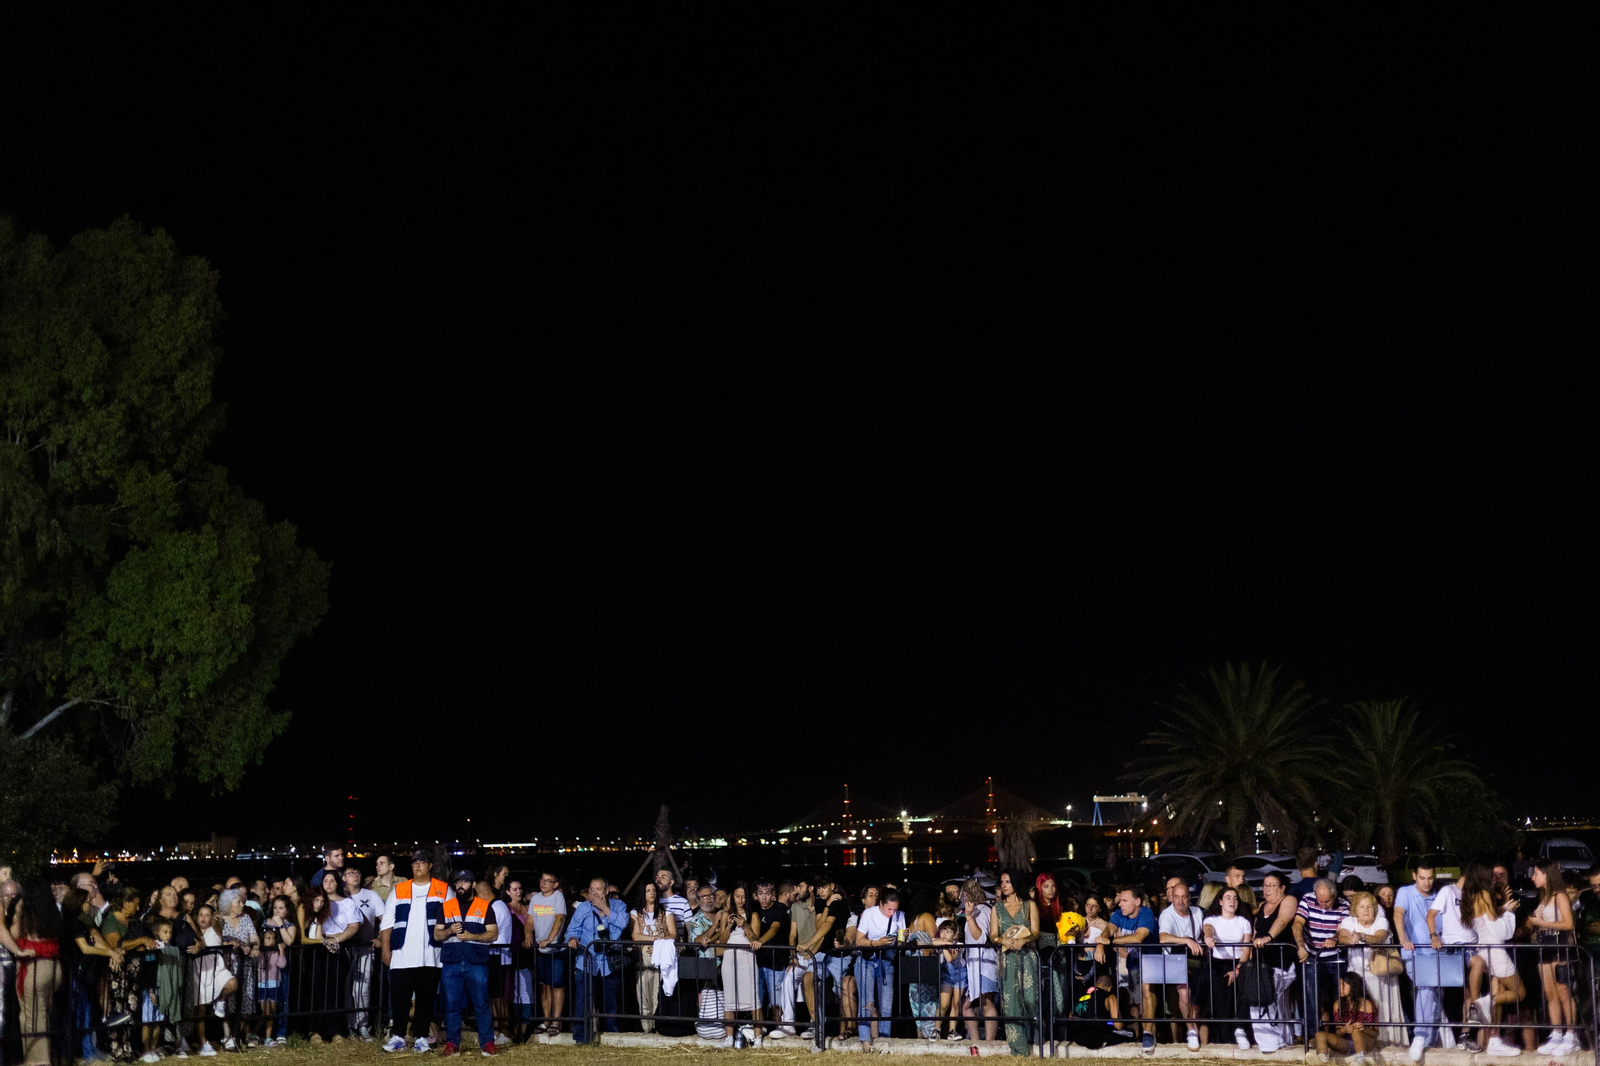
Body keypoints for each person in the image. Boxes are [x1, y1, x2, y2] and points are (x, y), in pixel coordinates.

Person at [379, 850, 453, 1054]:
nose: (418, 866)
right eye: (414, 863)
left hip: (432, 955)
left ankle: (421, 1037)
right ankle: (398, 1036)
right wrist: (386, 949)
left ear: (430, 865)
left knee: (426, 998)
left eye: (422, 862)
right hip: (401, 955)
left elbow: (452, 920)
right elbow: (387, 922)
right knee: (399, 998)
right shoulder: (399, 890)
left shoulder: (444, 889)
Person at [434, 871, 500, 1057]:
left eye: (464, 881)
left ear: (473, 884)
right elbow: (437, 934)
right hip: (452, 962)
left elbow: (493, 934)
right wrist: (448, 931)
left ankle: (487, 1043)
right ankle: (452, 1044)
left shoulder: (484, 906)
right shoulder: (446, 907)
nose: (460, 885)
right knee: (452, 1005)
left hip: (476, 962)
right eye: (457, 882)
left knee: (481, 1004)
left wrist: (473, 937)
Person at [1460, 865, 1521, 1056]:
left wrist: (1502, 907)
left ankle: (1494, 1040)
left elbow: (1489, 919)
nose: (1495, 878)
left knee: (1501, 990)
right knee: (1519, 993)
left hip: (1485, 948)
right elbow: (1499, 929)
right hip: (1495, 950)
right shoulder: (1485, 894)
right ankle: (1483, 1003)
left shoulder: (1472, 895)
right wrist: (1510, 911)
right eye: (1491, 875)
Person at [566, 876, 628, 1044]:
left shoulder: (618, 906)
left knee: (610, 1000)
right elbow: (572, 929)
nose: (593, 893)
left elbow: (623, 923)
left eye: (598, 889)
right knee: (582, 999)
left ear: (606, 891)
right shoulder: (583, 908)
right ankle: (581, 1037)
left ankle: (611, 1035)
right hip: (586, 960)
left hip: (608, 961)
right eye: (591, 889)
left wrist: (605, 909)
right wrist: (572, 937)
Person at [1526, 859, 1578, 1054]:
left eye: (1536, 873)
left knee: (1563, 992)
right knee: (1550, 993)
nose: (1533, 877)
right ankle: (1556, 1032)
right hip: (1544, 947)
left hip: (1558, 946)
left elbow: (1568, 924)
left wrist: (1544, 923)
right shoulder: (1543, 897)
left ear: (1546, 874)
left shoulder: (1560, 896)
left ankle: (1571, 1034)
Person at [1339, 891, 1402, 1047]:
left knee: (1381, 1007)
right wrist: (1349, 938)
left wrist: (1362, 937)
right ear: (1355, 910)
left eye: (1369, 907)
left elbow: (1380, 938)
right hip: (1357, 974)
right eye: (1361, 907)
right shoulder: (1348, 921)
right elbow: (1342, 936)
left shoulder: (1381, 921)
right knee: (1361, 1008)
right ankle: (1362, 1044)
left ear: (1375, 909)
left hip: (1379, 975)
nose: (1366, 910)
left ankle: (1388, 1042)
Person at [1425, 866, 1477, 1051]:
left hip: (1472, 944)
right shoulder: (1448, 891)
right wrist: (1434, 936)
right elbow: (1431, 915)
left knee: (1471, 993)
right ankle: (1452, 1035)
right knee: (1455, 995)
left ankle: (1466, 1033)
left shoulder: (1472, 894)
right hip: (1453, 947)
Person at [1394, 862, 1441, 1061]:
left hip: (1437, 954)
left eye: (1430, 878)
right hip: (1414, 954)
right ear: (1414, 876)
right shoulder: (1405, 892)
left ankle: (1431, 1042)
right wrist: (1403, 939)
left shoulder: (1438, 895)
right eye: (1422, 878)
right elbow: (1398, 914)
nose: (1426, 882)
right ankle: (1420, 1036)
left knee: (1436, 997)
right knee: (1427, 987)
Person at [992, 870, 1040, 1056]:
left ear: (1016, 884)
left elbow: (1035, 931)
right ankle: (1018, 1049)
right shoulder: (997, 908)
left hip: (1027, 956)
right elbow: (993, 934)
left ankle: (1036, 1042)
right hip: (1006, 958)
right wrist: (1001, 941)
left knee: (1030, 999)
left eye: (1008, 882)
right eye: (1002, 882)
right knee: (1010, 1002)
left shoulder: (1029, 905)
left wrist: (1024, 940)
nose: (1004, 885)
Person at [1157, 876, 1208, 1050]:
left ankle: (1198, 1035)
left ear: (1189, 897)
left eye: (1184, 897)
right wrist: (1186, 940)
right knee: (1184, 992)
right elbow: (1163, 937)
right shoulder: (1167, 914)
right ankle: (1191, 1030)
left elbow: (1207, 928)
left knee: (1197, 1001)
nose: (1180, 901)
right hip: (1174, 959)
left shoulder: (1197, 912)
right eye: (1177, 897)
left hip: (1196, 961)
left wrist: (1208, 936)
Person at [1293, 878, 1350, 1027]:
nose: (1323, 906)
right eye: (1320, 901)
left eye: (1327, 902)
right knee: (1312, 994)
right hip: (1313, 954)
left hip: (1335, 956)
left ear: (1335, 895)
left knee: (1339, 994)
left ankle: (1340, 1030)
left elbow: (1342, 930)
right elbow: (1298, 923)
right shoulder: (1307, 899)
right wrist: (1301, 946)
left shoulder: (1344, 905)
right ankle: (1312, 1033)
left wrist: (1334, 938)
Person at [1202, 885, 1253, 1050]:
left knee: (1238, 999)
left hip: (1238, 962)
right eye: (1228, 898)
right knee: (1221, 1002)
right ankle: (1223, 1040)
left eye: (1235, 898)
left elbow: (1247, 948)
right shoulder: (1213, 920)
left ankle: (1239, 1031)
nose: (1232, 901)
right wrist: (1209, 938)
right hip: (1219, 964)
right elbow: (1208, 929)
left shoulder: (1243, 922)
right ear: (1220, 902)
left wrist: (1238, 968)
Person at [855, 887, 907, 1049]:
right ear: (881, 903)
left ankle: (884, 1040)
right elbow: (859, 940)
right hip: (868, 959)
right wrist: (877, 943)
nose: (892, 912)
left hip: (887, 960)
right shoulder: (869, 914)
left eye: (895, 909)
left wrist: (901, 940)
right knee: (866, 1001)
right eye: (889, 909)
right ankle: (865, 1039)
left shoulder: (900, 916)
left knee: (886, 1004)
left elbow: (900, 942)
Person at [337, 866, 384, 1041]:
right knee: (347, 988)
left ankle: (362, 1025)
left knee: (362, 989)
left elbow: (385, 918)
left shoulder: (371, 896)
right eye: (350, 873)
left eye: (357, 872)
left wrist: (379, 936)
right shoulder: (340, 897)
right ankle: (350, 1026)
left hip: (365, 948)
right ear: (343, 878)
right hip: (345, 949)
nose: (355, 875)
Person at [1109, 885, 1156, 1053]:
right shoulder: (1119, 914)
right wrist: (1102, 940)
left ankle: (1149, 1034)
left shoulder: (1146, 914)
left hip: (1151, 960)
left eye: (1124, 900)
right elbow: (1109, 929)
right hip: (1133, 962)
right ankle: (1137, 1036)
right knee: (1134, 1003)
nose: (1120, 904)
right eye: (1120, 900)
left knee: (1146, 993)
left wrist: (1111, 941)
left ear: (1137, 902)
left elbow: (1138, 937)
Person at [524, 872, 567, 1036]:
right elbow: (529, 921)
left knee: (557, 985)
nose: (543, 883)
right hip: (541, 949)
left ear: (555, 884)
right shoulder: (535, 899)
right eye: (542, 880)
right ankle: (546, 1019)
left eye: (548, 881)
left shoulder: (558, 897)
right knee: (544, 985)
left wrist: (550, 939)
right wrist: (528, 936)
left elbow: (559, 919)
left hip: (555, 949)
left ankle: (557, 1021)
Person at [629, 882, 676, 1033]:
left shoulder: (665, 912)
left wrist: (658, 944)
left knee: (658, 993)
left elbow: (673, 933)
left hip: (661, 956)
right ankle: (647, 1029)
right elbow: (635, 935)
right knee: (643, 994)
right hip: (644, 957)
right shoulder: (635, 913)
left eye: (654, 890)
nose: (652, 893)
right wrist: (655, 939)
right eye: (648, 890)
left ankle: (659, 1027)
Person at [750, 880, 792, 1039]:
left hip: (776, 961)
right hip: (757, 962)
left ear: (773, 895)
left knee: (776, 1000)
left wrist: (760, 941)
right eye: (760, 893)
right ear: (755, 896)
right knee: (758, 1000)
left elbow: (775, 927)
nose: (764, 897)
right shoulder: (753, 911)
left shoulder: (780, 909)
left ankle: (780, 1028)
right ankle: (758, 1031)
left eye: (767, 893)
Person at [720, 883, 758, 1046]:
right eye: (737, 896)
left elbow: (755, 938)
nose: (740, 900)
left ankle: (757, 1037)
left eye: (743, 896)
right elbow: (721, 942)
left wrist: (745, 925)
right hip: (729, 957)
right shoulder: (725, 915)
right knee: (730, 996)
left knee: (752, 997)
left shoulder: (753, 914)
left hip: (747, 957)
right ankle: (729, 1037)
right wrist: (728, 926)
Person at [963, 879, 1000, 1043]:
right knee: (968, 1006)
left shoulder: (983, 910)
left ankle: (989, 1043)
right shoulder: (977, 910)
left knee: (987, 1003)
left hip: (984, 963)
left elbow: (980, 938)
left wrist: (969, 918)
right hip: (974, 963)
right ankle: (976, 1042)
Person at [1314, 971, 1378, 1065]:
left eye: (1343, 985)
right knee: (1320, 1034)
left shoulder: (1367, 1004)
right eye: (1339, 985)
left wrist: (1363, 1028)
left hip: (1365, 1042)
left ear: (1353, 986)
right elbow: (1338, 1032)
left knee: (1355, 1030)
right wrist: (1343, 1030)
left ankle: (1360, 1060)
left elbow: (1375, 1033)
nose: (1340, 988)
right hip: (1346, 1043)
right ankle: (1321, 1058)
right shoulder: (1337, 1004)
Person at [258, 897, 296, 1047]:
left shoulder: (289, 925)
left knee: (282, 1000)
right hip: (264, 969)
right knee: (265, 1005)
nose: (277, 911)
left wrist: (280, 925)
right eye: (275, 908)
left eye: (281, 908)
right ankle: (261, 1034)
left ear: (287, 910)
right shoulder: (265, 922)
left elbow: (289, 941)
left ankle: (281, 1032)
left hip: (281, 968)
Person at [936, 919, 971, 1040]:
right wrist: (941, 944)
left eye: (948, 932)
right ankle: (936, 1029)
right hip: (946, 976)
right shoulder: (938, 942)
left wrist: (944, 946)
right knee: (944, 1004)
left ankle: (952, 1031)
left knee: (955, 1003)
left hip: (959, 977)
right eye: (942, 931)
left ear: (955, 934)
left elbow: (950, 958)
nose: (944, 935)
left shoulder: (959, 945)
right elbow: (933, 942)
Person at [655, 870, 692, 934]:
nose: (658, 880)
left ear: (671, 882)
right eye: (657, 877)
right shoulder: (653, 902)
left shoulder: (682, 902)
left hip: (677, 943)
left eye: (663, 877)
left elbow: (690, 929)